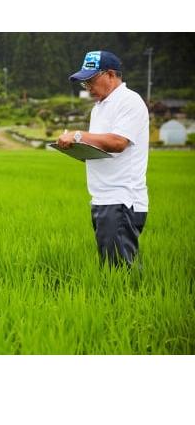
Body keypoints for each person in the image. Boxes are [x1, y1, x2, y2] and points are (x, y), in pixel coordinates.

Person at [57, 50, 149, 267]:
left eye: (91, 80)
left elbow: (118, 142)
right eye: (84, 83)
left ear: (110, 74)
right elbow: (99, 147)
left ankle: (132, 300)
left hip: (121, 199)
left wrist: (78, 135)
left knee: (118, 272)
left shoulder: (129, 101)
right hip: (102, 198)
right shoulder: (99, 108)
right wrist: (78, 149)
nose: (88, 88)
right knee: (112, 268)